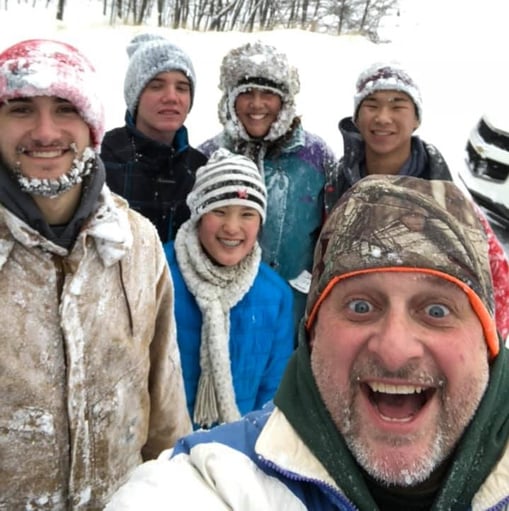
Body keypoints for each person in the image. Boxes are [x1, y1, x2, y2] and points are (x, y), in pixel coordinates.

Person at [105, 175, 509, 510]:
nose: (395, 348)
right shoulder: (217, 478)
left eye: (436, 311)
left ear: (489, 340)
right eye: (361, 305)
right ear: (313, 333)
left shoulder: (272, 292)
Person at [0, 38, 192, 509]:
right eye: (20, 109)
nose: (46, 132)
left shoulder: (137, 243)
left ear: (91, 127)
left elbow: (164, 406)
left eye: (66, 109)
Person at [325, 61, 509, 341]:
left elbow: (499, 286)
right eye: (372, 105)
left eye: (397, 105)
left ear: (416, 119)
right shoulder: (332, 188)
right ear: (357, 117)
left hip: (426, 351)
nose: (383, 117)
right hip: (347, 344)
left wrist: (482, 355)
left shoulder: (447, 199)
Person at [199, 40, 338, 331]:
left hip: (294, 310)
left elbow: (333, 230)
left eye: (268, 94)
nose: (257, 104)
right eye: (246, 92)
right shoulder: (208, 156)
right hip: (222, 310)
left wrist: (313, 278)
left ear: (285, 101)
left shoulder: (315, 155)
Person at [164, 148, 294, 429]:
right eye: (219, 211)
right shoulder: (159, 274)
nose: (232, 227)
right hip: (161, 457)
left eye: (247, 213)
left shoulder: (275, 295)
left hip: (236, 453)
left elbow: (273, 394)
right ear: (198, 215)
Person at [100, 33, 207, 243]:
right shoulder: (102, 159)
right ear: (135, 96)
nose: (171, 97)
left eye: (182, 88)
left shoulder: (201, 168)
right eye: (156, 86)